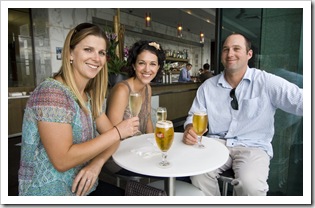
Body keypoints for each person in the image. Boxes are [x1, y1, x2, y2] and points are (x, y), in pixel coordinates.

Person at [18, 23, 139, 196]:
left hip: (83, 190)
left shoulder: (87, 96)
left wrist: (96, 164)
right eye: (88, 50)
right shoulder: (51, 93)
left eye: (101, 53)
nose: (96, 58)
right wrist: (119, 131)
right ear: (70, 54)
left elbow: (113, 140)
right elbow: (62, 160)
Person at [182, 33, 303, 196]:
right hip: (217, 143)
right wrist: (190, 128)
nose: (230, 53)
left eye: (236, 49)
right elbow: (194, 116)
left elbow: (300, 100)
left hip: (253, 146)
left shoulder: (266, 82)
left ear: (249, 54)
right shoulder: (208, 86)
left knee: (250, 185)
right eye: (226, 49)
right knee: (197, 173)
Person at [104, 40, 165, 174]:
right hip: (118, 155)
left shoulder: (148, 88)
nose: (147, 69)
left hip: (140, 150)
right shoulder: (122, 90)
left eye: (153, 64)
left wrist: (154, 146)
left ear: (158, 68)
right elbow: (111, 134)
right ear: (133, 65)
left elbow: (147, 119)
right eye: (141, 63)